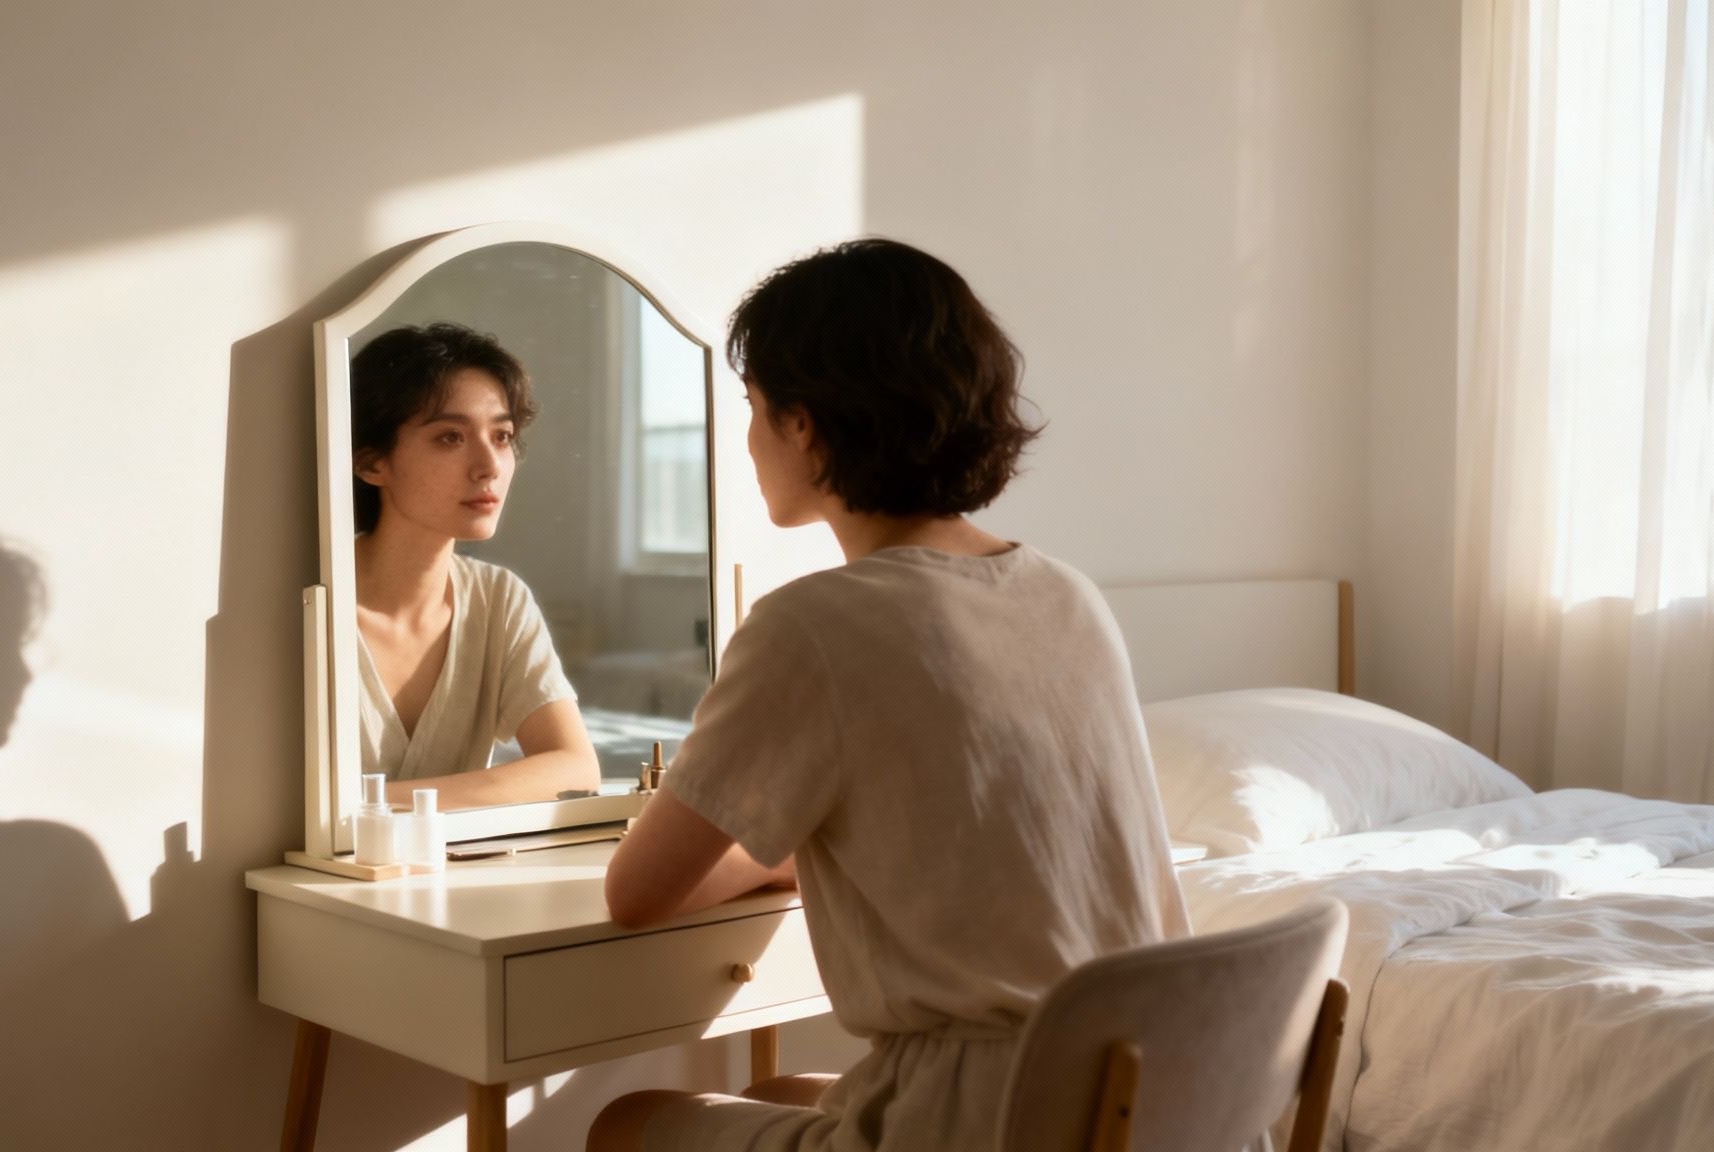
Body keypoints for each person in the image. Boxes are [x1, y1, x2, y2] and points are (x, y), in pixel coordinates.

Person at [591, 239, 1190, 1151]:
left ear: (804, 425)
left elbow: (636, 893)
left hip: (989, 1119)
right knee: (786, 1084)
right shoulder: (1066, 592)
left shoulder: (812, 628)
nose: (748, 440)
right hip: (1144, 1091)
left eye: (753, 409)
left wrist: (772, 846)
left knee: (630, 1122)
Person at [350, 322, 599, 809]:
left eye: (502, 436)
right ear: (371, 461)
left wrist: (366, 804)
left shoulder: (498, 599)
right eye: (450, 437)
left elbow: (575, 767)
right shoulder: (308, 605)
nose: (490, 465)